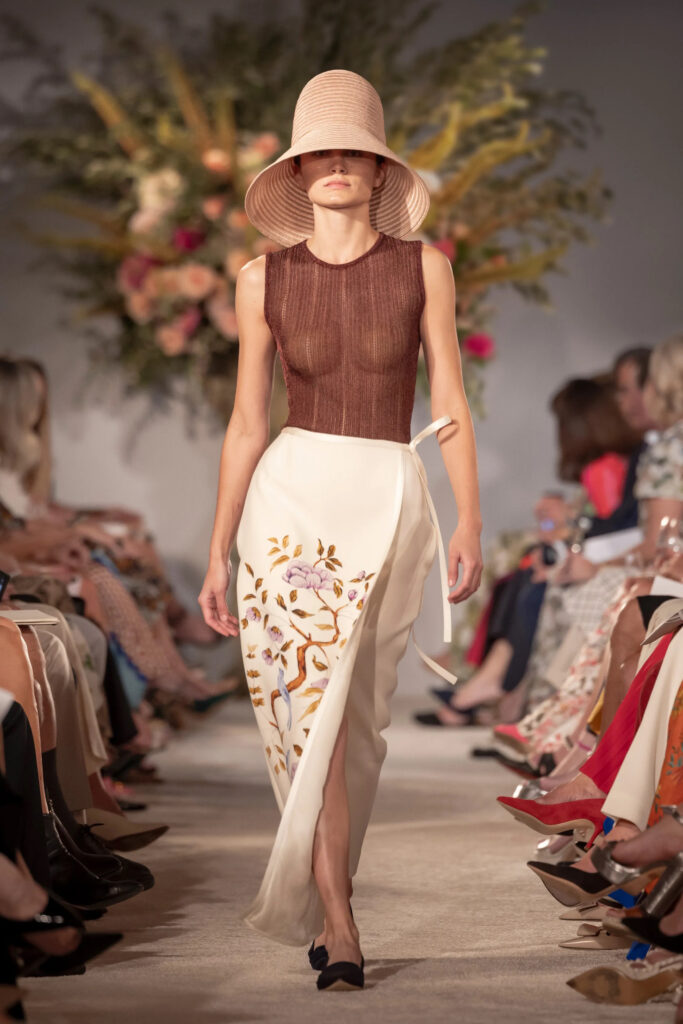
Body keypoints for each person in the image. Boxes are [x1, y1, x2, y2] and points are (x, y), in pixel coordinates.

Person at [198, 69, 482, 991]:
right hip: (289, 506)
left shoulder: (424, 267)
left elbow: (449, 400)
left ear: (378, 168)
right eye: (316, 152)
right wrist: (217, 547)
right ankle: (339, 916)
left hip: (387, 497)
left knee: (358, 719)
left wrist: (471, 520)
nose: (334, 165)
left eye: (351, 152)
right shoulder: (260, 279)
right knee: (309, 709)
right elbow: (246, 422)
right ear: (294, 170)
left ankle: (330, 891)